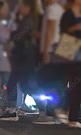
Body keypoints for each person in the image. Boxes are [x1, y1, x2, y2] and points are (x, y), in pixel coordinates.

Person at [1, 0, 42, 121]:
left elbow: (20, 36)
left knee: (14, 83)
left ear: (27, 6)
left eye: (21, 5)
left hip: (24, 56)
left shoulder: (28, 20)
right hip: (25, 56)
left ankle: (12, 111)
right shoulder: (28, 19)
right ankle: (46, 108)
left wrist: (11, 35)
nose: (19, 7)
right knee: (25, 85)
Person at [35, 0, 65, 124]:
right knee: (53, 80)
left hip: (52, 49)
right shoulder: (58, 9)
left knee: (46, 79)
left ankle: (54, 111)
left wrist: (46, 50)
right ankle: (56, 111)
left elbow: (51, 29)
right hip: (57, 49)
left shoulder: (52, 9)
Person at [59, 0, 81, 128]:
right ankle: (72, 117)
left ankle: (72, 115)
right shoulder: (68, 14)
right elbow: (63, 32)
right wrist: (75, 28)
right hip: (72, 53)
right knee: (75, 84)